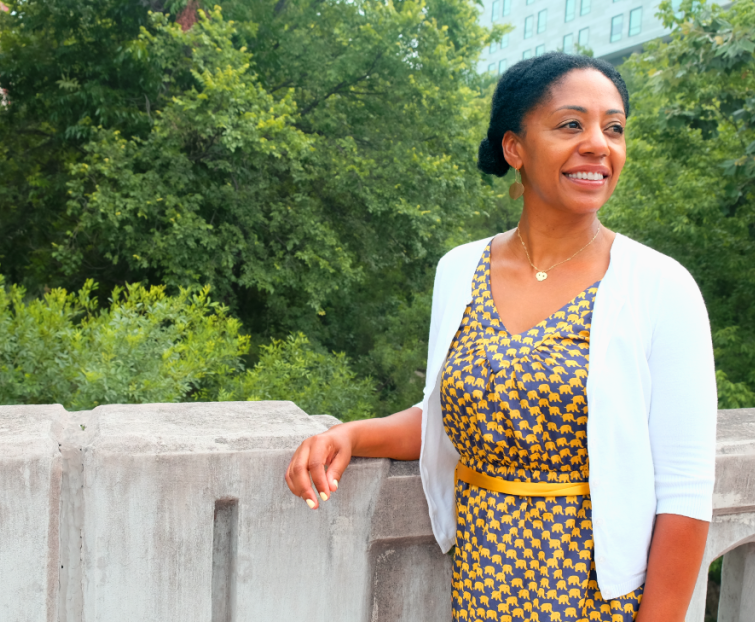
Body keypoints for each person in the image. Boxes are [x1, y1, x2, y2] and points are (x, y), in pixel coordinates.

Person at [285, 53, 717, 622]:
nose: (597, 144)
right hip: (481, 585)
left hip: (600, 600)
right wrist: (351, 434)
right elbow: (452, 415)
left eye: (613, 128)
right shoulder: (461, 269)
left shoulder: (661, 285)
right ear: (515, 147)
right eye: (571, 125)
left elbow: (684, 489)